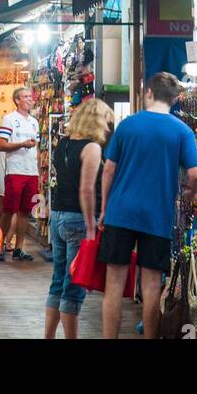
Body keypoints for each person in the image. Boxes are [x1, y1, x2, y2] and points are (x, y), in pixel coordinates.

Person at [99, 72, 197, 340]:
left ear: (148, 92)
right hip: (157, 216)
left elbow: (109, 170)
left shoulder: (127, 126)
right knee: (151, 285)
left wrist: (103, 209)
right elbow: (196, 174)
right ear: (175, 99)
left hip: (120, 212)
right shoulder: (182, 131)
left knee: (113, 285)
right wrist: (189, 196)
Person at [45, 98, 113, 340]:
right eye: (106, 121)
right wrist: (91, 225)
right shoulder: (92, 148)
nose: (108, 127)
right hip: (77, 218)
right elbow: (86, 189)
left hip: (58, 216)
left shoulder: (63, 143)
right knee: (73, 286)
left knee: (58, 280)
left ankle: (49, 336)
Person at [0, 86, 40, 262]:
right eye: (26, 96)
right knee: (9, 210)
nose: (30, 99)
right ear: (17, 100)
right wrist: (22, 144)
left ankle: (18, 248)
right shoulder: (9, 119)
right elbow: (1, 144)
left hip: (31, 171)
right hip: (15, 170)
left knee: (24, 211)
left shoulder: (34, 122)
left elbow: (36, 147)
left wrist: (37, 165)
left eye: (31, 96)